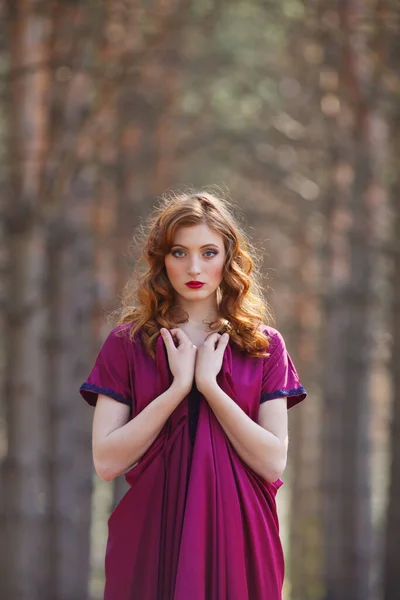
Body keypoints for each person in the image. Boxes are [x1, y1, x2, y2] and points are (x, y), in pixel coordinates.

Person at [79, 190, 307, 600]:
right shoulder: (127, 344)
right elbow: (106, 461)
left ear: (229, 258)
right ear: (161, 260)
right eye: (179, 253)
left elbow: (272, 462)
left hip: (241, 534)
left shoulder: (264, 346)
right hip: (152, 531)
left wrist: (210, 389)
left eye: (208, 252)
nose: (195, 267)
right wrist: (176, 390)